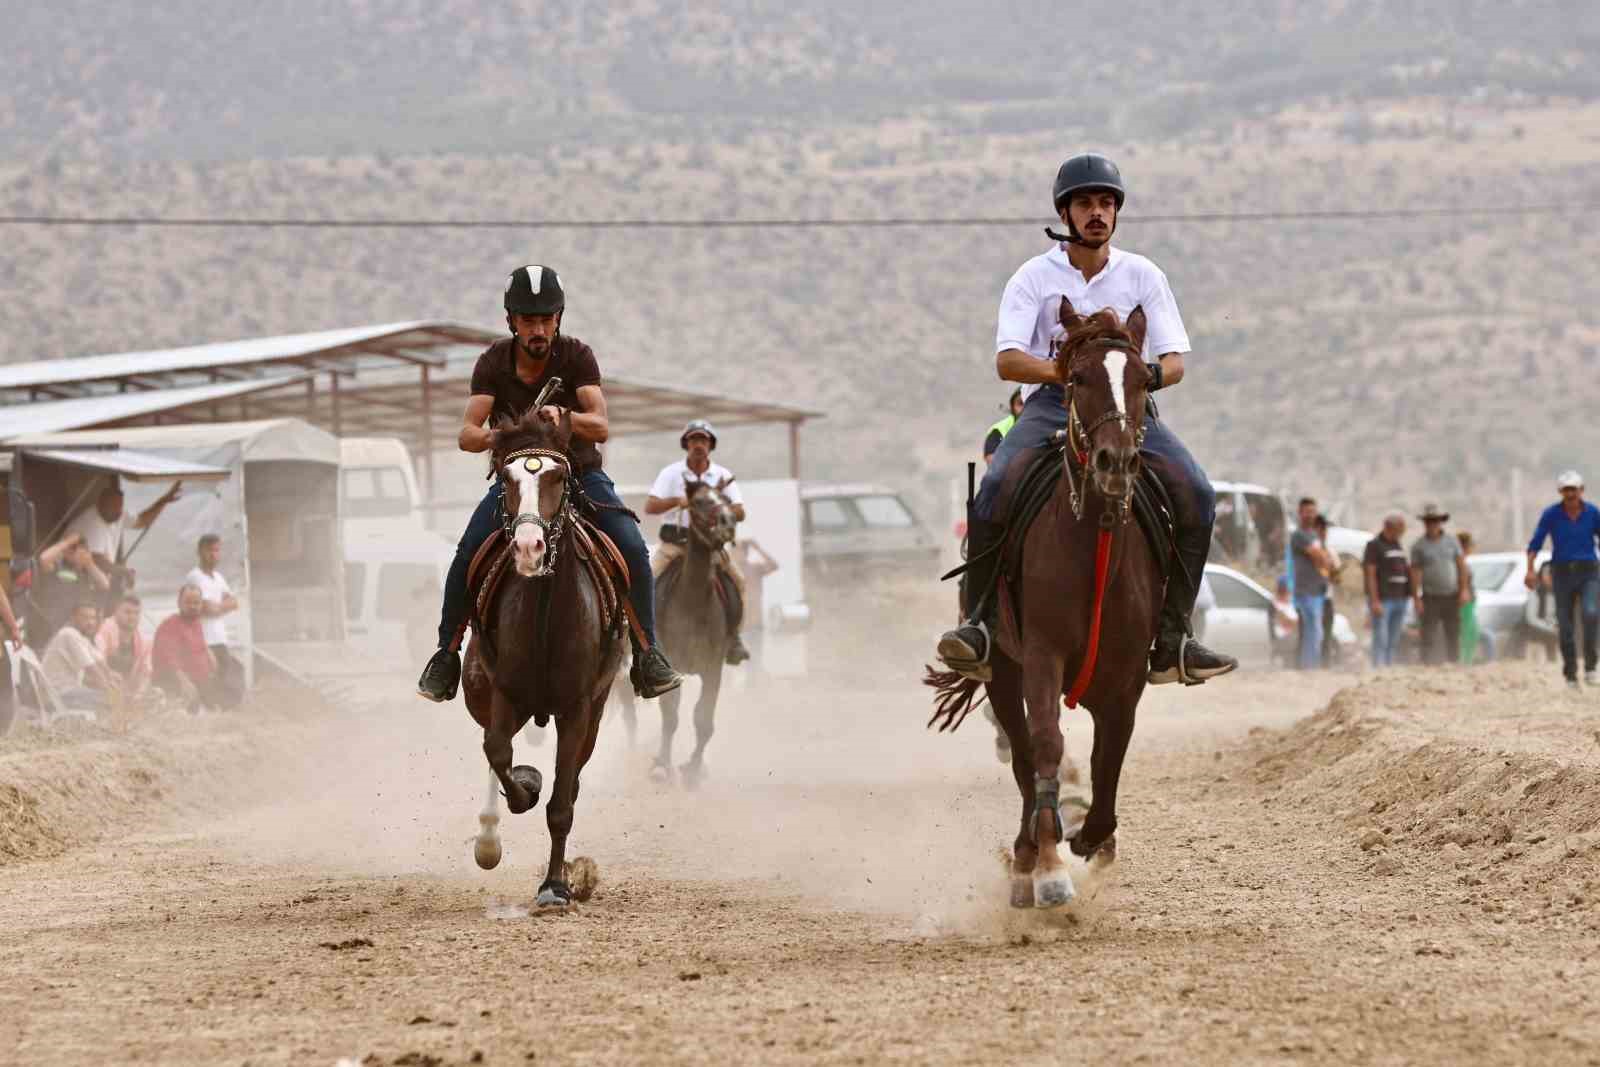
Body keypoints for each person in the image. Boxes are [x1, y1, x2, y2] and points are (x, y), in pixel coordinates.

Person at [937, 153, 1236, 685]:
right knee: (997, 486)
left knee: (1197, 492)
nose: (1096, 212)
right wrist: (1070, 373)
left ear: (1116, 213)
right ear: (1065, 213)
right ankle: (979, 627)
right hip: (1052, 401)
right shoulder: (1033, 277)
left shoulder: (1144, 275)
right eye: (1084, 203)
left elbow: (1176, 362)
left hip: (1124, 405)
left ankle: (1173, 638)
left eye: (1105, 203)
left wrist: (1137, 377)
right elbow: (1007, 360)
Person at [417, 264, 682, 702]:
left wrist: (565, 418)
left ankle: (648, 653)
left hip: (580, 474)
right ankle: (446, 655)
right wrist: (505, 436)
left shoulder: (577, 356)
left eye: (545, 319)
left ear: (558, 318)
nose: (537, 328)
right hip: (518, 481)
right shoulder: (492, 363)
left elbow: (599, 425)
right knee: (467, 553)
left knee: (632, 547)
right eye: (527, 319)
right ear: (511, 321)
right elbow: (467, 433)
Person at [646, 419, 751, 665]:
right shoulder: (670, 473)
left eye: (703, 440)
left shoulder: (723, 475)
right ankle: (646, 642)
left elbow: (740, 511)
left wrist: (715, 505)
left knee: (739, 582)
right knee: (646, 582)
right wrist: (677, 501)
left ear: (710, 445)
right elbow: (651, 506)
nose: (698, 445)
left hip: (710, 547)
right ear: (686, 444)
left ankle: (734, 638)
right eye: (694, 440)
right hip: (674, 546)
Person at [1525, 470, 1600, 688]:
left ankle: (1591, 667)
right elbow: (1535, 543)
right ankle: (1570, 674)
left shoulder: (1593, 513)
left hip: (1588, 572)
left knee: (1590, 613)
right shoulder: (1551, 514)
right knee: (1565, 625)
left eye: (1574, 490)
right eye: (1566, 490)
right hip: (1562, 573)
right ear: (1561, 492)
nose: (1570, 494)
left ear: (1581, 490)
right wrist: (1530, 570)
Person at [64, 480, 182, 601]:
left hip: (96, 580)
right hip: (74, 578)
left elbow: (142, 521)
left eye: (119, 507)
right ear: (100, 503)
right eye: (112, 507)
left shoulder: (119, 515)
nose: (117, 512)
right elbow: (96, 559)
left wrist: (163, 501)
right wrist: (123, 571)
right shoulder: (91, 522)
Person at [152, 584, 239, 712]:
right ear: (179, 603)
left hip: (201, 679)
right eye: (188, 602)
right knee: (205, 704)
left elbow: (199, 646)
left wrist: (210, 656)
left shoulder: (196, 622)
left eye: (196, 603)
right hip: (179, 681)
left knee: (233, 689)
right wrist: (185, 682)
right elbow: (168, 660)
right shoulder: (170, 624)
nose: (192, 606)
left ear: (201, 605)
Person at [1409, 503, 1469, 666]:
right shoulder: (1418, 546)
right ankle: (1427, 663)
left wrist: (1464, 589)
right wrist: (1416, 598)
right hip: (1430, 596)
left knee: (1453, 630)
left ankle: (1454, 662)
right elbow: (1415, 573)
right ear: (1425, 523)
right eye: (1429, 521)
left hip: (1451, 594)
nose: (1432, 524)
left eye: (1435, 521)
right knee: (1428, 631)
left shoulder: (1452, 542)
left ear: (1440, 522)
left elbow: (1461, 566)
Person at [185, 533, 243, 697]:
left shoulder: (218, 578)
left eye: (217, 550)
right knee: (206, 679)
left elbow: (234, 602)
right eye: (209, 550)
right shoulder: (195, 576)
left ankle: (221, 709)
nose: (213, 555)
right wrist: (219, 606)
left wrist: (217, 607)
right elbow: (206, 608)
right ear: (200, 551)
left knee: (225, 676)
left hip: (219, 638)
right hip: (203, 639)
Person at [41, 601, 119, 711]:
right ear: (73, 618)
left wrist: (110, 674)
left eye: (92, 618)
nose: (90, 622)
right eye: (85, 617)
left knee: (110, 697)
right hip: (58, 695)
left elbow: (99, 661)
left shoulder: (82, 638)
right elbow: (92, 669)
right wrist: (109, 690)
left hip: (67, 693)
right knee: (108, 700)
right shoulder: (69, 634)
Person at [1290, 498, 1334, 670]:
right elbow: (1321, 557)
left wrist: (1324, 557)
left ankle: (1309, 666)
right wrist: (1324, 558)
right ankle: (1309, 667)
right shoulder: (1299, 535)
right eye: (1307, 512)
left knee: (1313, 632)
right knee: (1313, 631)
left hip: (1318, 590)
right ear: (1300, 513)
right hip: (1306, 590)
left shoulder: (1315, 535)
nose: (1310, 515)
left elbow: (1327, 560)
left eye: (1313, 512)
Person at [1362, 513, 1411, 668]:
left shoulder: (1397, 545)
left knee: (1393, 637)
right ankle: (1378, 666)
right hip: (1384, 599)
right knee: (1381, 637)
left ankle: (1388, 666)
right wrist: (1375, 600)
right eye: (1399, 530)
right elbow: (1370, 574)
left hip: (1400, 598)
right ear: (1389, 528)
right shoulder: (1374, 545)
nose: (1401, 533)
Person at [96, 593, 151, 698]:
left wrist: (140, 693)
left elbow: (147, 671)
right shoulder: (105, 629)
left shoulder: (143, 640)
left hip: (128, 691)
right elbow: (97, 658)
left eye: (136, 613)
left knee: (158, 692)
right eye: (127, 612)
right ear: (115, 612)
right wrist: (109, 677)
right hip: (102, 686)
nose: (132, 617)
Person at [982, 388, 1025, 466]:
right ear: (1012, 408)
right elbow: (992, 461)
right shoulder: (999, 429)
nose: (1025, 408)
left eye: (1029, 403)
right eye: (1021, 403)